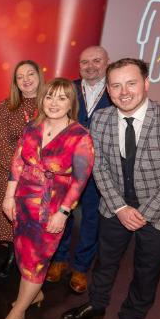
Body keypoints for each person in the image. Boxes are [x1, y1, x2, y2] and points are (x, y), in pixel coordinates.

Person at [61, 58, 160, 319]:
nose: (124, 92)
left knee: (146, 273)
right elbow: (100, 168)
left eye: (131, 83)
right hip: (116, 207)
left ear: (146, 84)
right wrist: (120, 207)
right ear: (108, 90)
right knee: (105, 262)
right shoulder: (101, 119)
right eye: (116, 85)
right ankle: (96, 305)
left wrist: (145, 213)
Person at [0, 78, 95, 319]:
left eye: (62, 98)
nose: (54, 103)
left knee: (36, 263)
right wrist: (8, 196)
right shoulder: (32, 126)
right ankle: (34, 294)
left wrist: (63, 213)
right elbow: (18, 162)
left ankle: (18, 312)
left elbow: (80, 181)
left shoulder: (80, 136)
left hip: (52, 208)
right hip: (23, 202)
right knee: (23, 254)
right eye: (49, 96)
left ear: (71, 103)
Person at [49, 46, 112, 293]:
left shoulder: (115, 91)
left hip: (100, 169)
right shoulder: (70, 89)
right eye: (85, 62)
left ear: (107, 63)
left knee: (91, 220)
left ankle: (81, 268)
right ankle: (59, 259)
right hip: (67, 167)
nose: (90, 66)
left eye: (96, 61)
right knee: (62, 215)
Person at [0, 60, 43, 278]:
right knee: (11, 218)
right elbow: (1, 141)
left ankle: (32, 260)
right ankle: (12, 255)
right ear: (15, 82)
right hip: (9, 174)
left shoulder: (50, 104)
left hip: (41, 177)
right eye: (20, 77)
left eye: (30, 74)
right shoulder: (6, 106)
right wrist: (17, 170)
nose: (26, 80)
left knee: (34, 222)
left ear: (39, 76)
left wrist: (33, 172)